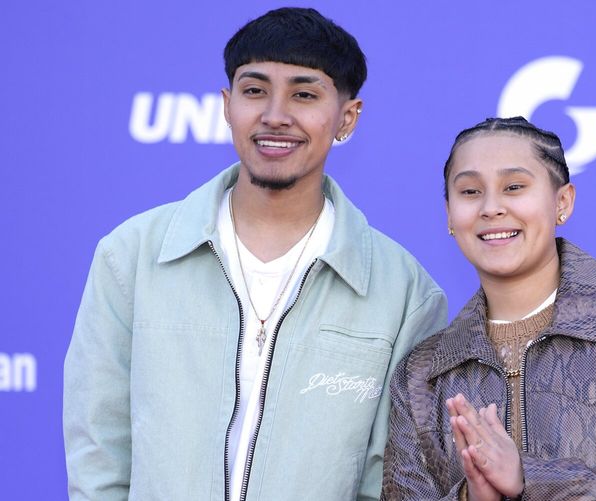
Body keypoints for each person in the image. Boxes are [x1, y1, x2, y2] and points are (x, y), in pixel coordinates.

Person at [63, 7, 447, 500]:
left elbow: (390, 482)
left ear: (347, 117)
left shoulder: (404, 293)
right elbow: (99, 451)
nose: (275, 115)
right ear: (227, 105)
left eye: (304, 94)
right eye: (254, 90)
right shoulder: (133, 256)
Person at [381, 116, 596, 500]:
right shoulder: (421, 375)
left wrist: (529, 479)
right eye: (469, 192)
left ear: (562, 202)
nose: (491, 207)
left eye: (514, 187)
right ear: (449, 215)